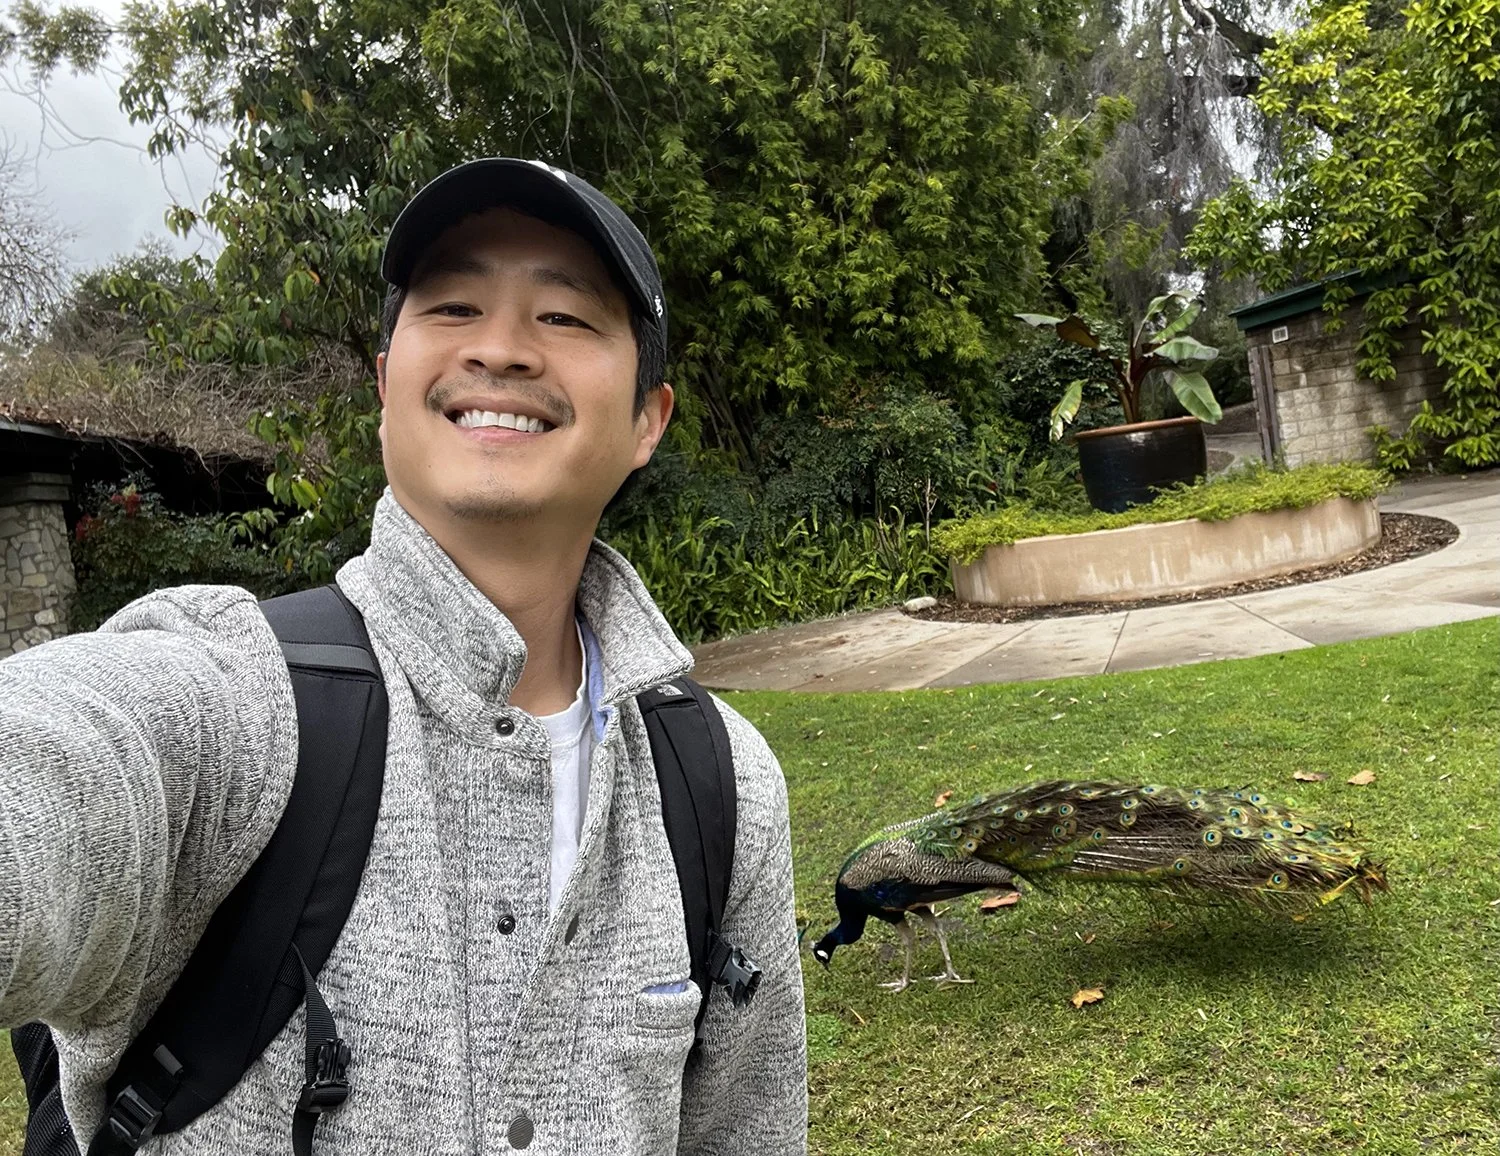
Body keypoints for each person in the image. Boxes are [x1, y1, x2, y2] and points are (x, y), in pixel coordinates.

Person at [0, 158, 808, 1154]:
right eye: (456, 304)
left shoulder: (722, 784)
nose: (504, 348)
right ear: (387, 386)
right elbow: (58, 767)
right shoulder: (240, 707)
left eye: (564, 316)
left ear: (649, 420)